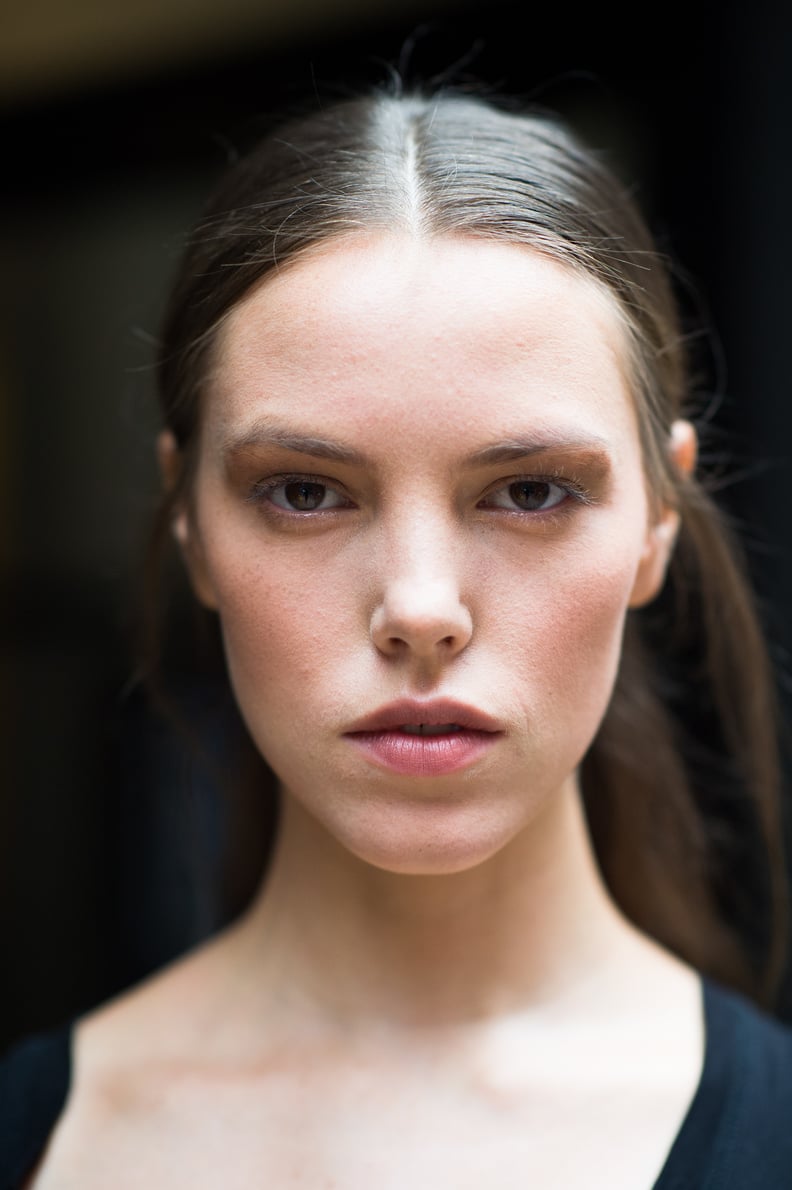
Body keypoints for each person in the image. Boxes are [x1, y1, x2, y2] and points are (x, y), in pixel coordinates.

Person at [2, 81, 792, 1189]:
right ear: (189, 522)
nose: (421, 607)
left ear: (658, 522)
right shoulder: (38, 1138)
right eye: (305, 491)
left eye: (527, 490)